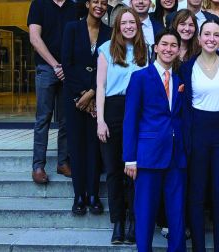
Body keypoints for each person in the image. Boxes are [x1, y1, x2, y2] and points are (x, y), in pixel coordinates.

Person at [123, 28, 186, 252]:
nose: (169, 49)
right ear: (156, 48)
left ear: (179, 50)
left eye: (173, 45)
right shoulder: (140, 77)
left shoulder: (180, 79)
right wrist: (130, 158)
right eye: (164, 44)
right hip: (147, 156)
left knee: (177, 213)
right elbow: (130, 118)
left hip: (176, 156)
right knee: (145, 212)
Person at [179, 20, 219, 252]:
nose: (212, 39)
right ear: (199, 38)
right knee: (196, 193)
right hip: (197, 133)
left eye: (216, 35)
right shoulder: (187, 66)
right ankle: (199, 248)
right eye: (207, 34)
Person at [96, 8, 148, 244]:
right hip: (113, 110)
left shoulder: (144, 50)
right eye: (124, 22)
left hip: (137, 111)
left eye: (132, 22)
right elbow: (100, 87)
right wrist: (100, 121)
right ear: (117, 26)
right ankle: (118, 221)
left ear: (137, 25)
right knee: (114, 170)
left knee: (133, 170)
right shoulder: (106, 49)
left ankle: (134, 222)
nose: (128, 26)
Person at [61, 0, 112, 216]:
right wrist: (81, 94)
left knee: (94, 148)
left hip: (97, 98)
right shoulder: (72, 28)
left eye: (103, 2)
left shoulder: (110, 32)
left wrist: (92, 93)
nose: (99, 6)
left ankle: (93, 195)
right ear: (88, 4)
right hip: (74, 97)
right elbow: (67, 63)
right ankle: (78, 195)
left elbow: (110, 64)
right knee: (77, 146)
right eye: (95, 2)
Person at [27, 0, 77, 184]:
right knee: (43, 118)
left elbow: (77, 37)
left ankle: (63, 162)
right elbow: (34, 38)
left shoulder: (73, 6)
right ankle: (38, 166)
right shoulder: (39, 4)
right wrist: (55, 65)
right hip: (46, 69)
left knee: (66, 119)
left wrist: (67, 66)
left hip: (68, 69)